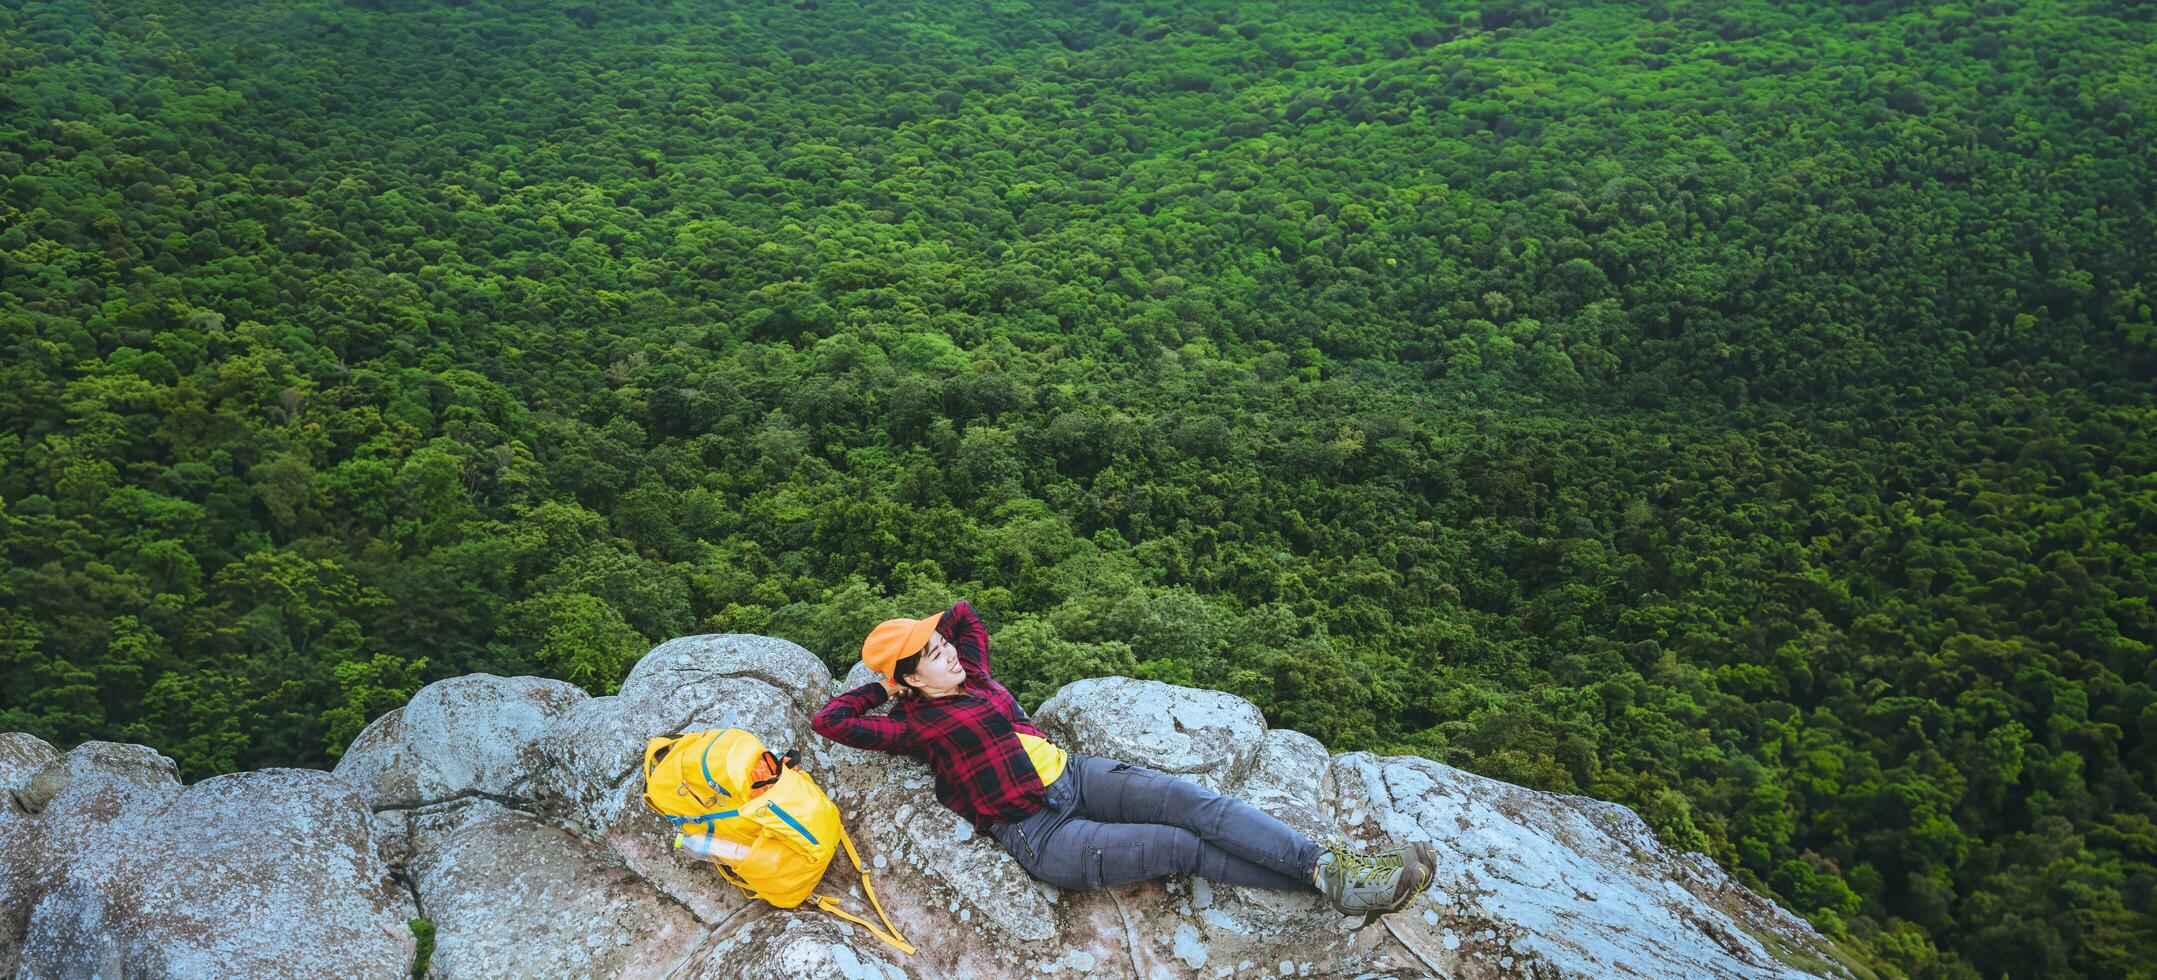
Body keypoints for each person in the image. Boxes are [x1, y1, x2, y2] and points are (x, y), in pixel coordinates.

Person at [810, 599, 1436, 926]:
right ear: (910, 678)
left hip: (1077, 776)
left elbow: (965, 614)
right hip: (1041, 831)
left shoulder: (971, 671)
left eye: (942, 646)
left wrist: (928, 640)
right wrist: (885, 688)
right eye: (932, 654)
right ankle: (1341, 888)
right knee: (1180, 845)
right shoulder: (913, 725)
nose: (948, 652)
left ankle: (1333, 872)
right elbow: (830, 722)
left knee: (1201, 804)